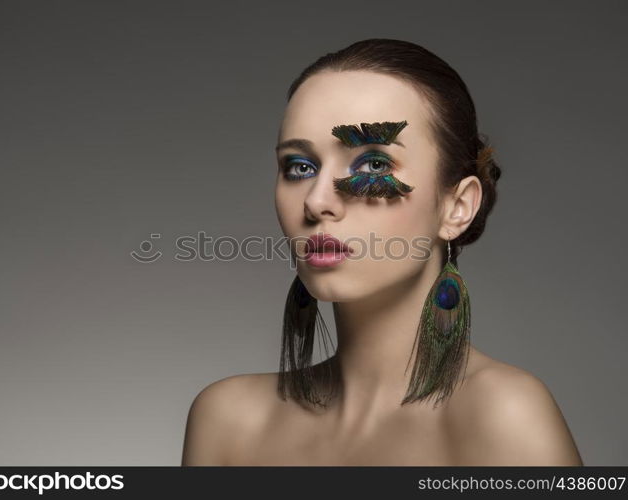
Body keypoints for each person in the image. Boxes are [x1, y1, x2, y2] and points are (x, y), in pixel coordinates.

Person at [181, 38, 583, 466]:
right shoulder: (229, 420)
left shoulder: (504, 415)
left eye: (373, 164)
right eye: (300, 166)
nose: (316, 202)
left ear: (457, 206)